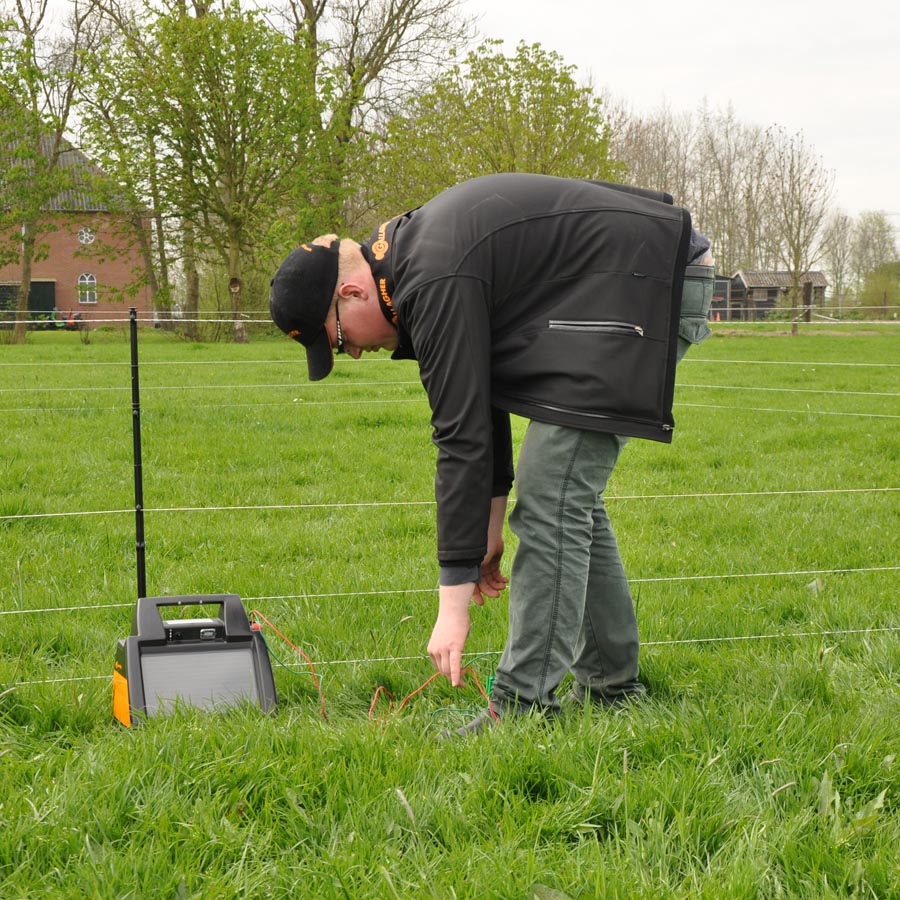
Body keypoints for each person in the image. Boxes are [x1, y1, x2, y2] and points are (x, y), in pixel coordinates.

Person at [269, 174, 714, 735]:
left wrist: (451, 606)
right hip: (621, 279)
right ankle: (611, 684)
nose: (352, 353)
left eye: (337, 340)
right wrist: (491, 529)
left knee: (555, 489)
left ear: (352, 294)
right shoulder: (412, 263)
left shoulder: (429, 276)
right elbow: (482, 405)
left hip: (645, 281)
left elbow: (460, 437)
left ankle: (525, 705)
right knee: (563, 487)